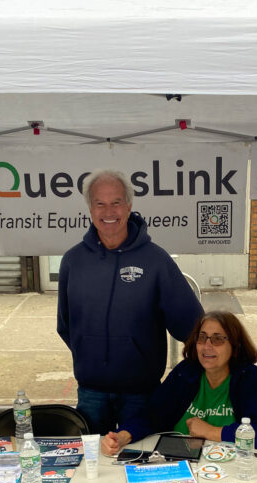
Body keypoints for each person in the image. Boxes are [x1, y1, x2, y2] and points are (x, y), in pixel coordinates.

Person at [57, 169, 203, 434]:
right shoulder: (72, 261)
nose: (108, 211)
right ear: (90, 209)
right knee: (94, 470)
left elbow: (192, 326)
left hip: (141, 394)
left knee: (140, 466)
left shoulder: (156, 260)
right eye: (100, 203)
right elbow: (66, 324)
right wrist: (92, 354)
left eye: (116, 202)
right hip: (91, 393)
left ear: (129, 206)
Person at [101, 311, 257, 455]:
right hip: (180, 460)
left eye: (218, 338)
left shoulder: (249, 379)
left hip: (229, 465)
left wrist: (211, 431)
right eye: (202, 337)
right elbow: (152, 415)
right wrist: (123, 436)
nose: (207, 345)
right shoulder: (185, 373)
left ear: (235, 345)